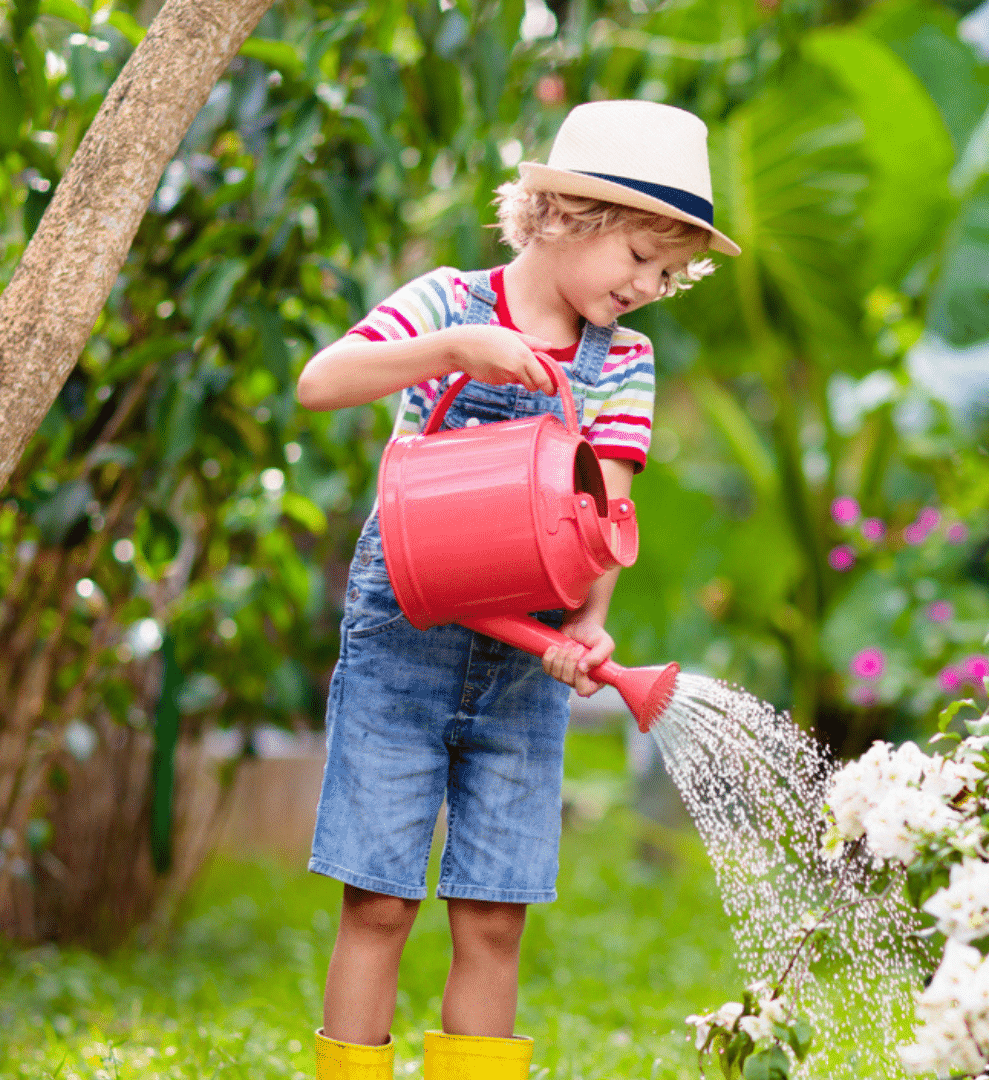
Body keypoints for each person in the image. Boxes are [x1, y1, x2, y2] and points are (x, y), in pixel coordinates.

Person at [294, 100, 739, 1080]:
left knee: (493, 915)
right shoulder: (451, 301)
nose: (650, 288)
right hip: (403, 638)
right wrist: (457, 351)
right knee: (377, 901)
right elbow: (322, 382)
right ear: (564, 215)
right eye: (639, 257)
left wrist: (587, 630)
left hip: (525, 660)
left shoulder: (623, 361)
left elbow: (604, 516)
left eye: (668, 275)